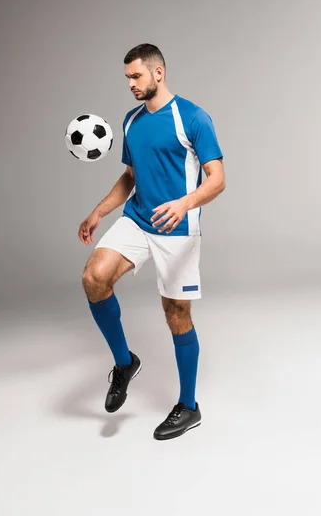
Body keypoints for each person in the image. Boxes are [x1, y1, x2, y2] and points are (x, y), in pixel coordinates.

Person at [78, 43, 225, 440]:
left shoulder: (192, 117)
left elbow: (217, 178)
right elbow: (131, 176)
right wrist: (99, 211)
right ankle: (124, 363)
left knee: (176, 314)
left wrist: (185, 203)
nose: (130, 83)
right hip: (139, 220)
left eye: (136, 76)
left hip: (178, 228)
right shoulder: (131, 120)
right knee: (94, 278)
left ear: (158, 73)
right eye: (127, 77)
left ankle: (189, 407)